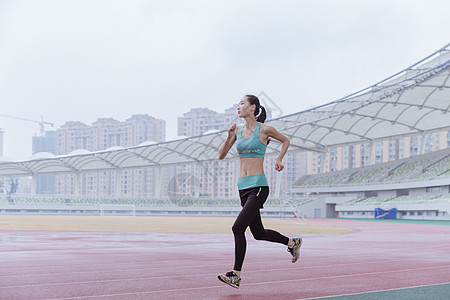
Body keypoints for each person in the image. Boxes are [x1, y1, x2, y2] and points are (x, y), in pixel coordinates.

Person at [217, 95, 302, 289]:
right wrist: (229, 136)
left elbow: (286, 140)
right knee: (258, 233)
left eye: (241, 103)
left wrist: (279, 159)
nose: (238, 107)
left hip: (259, 186)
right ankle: (292, 243)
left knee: (237, 228)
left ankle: (235, 275)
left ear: (252, 107)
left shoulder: (264, 129)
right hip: (243, 188)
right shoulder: (237, 131)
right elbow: (221, 155)